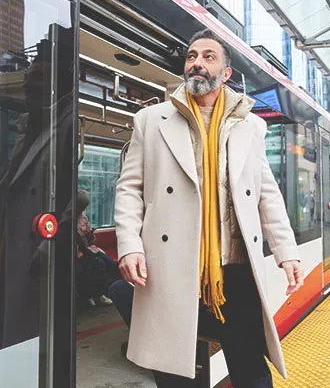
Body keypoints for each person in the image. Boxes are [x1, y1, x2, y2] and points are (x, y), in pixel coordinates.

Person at [114, 29, 303, 387]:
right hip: (172, 267)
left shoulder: (251, 126)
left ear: (226, 74)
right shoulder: (151, 120)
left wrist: (287, 252)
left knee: (252, 371)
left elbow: (266, 194)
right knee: (173, 372)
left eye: (208, 57)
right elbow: (129, 189)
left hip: (234, 270)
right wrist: (130, 244)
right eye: (191, 56)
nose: (197, 63)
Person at [75, 189, 119, 307]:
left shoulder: (84, 219)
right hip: (80, 252)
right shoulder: (70, 220)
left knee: (110, 264)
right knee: (97, 265)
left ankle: (103, 292)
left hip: (90, 248)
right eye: (82, 206)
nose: (84, 209)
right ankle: (92, 295)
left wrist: (90, 235)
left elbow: (91, 240)